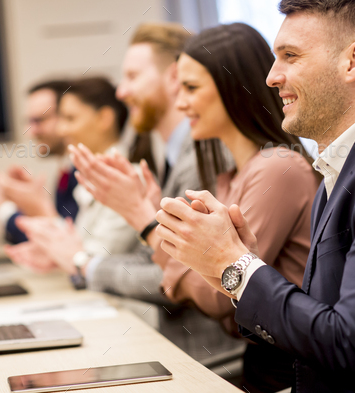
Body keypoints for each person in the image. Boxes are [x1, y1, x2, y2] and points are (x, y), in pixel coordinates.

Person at [155, 1, 355, 392]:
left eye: (290, 56)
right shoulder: (345, 164)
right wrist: (235, 269)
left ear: (354, 61)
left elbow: (352, 346)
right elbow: (322, 325)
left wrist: (236, 266)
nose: (272, 78)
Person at [29, 23, 245, 365]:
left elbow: (181, 277)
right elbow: (157, 261)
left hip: (207, 361)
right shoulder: (168, 155)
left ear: (173, 77)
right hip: (176, 349)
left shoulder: (205, 154)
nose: (121, 91)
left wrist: (85, 261)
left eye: (132, 76)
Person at [149, 23, 319, 392]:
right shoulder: (229, 177)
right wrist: (187, 270)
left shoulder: (278, 167)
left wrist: (177, 276)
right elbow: (202, 274)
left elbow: (218, 296)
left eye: (192, 88)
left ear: (235, 87)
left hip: (285, 370)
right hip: (262, 362)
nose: (180, 104)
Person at [4, 77, 139, 275]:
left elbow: (96, 261)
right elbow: (82, 251)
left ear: (104, 119)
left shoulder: (129, 178)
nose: (61, 129)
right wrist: (50, 254)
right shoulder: (91, 176)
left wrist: (42, 209)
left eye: (70, 119)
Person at [0, 80, 79, 244]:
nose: (31, 131)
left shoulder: (81, 173)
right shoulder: (67, 170)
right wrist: (25, 203)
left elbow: (70, 245)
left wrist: (1, 210)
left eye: (40, 120)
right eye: (29, 121)